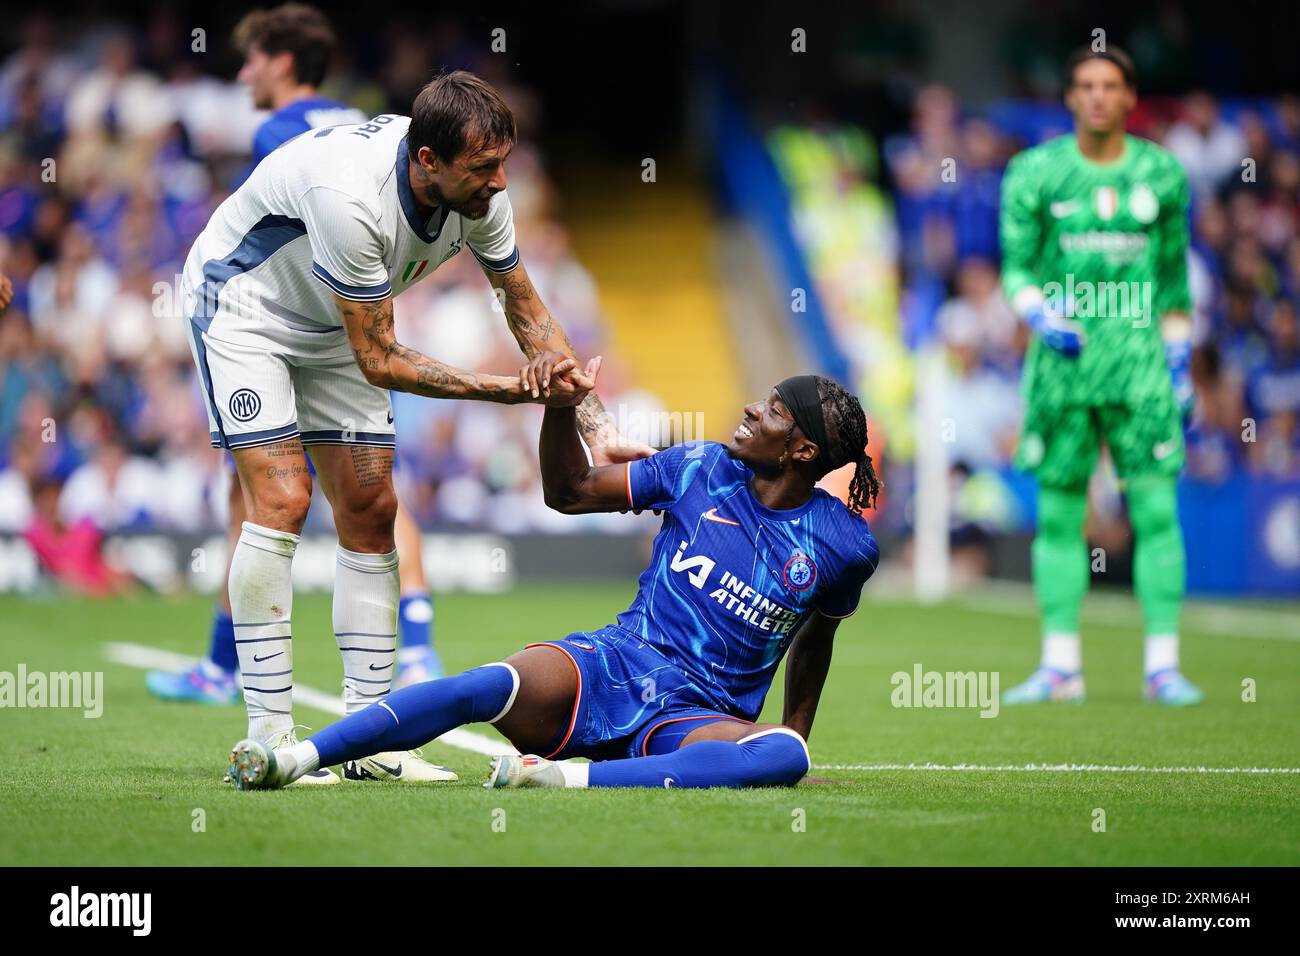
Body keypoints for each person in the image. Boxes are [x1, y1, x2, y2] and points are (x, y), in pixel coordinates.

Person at [184, 68, 647, 786]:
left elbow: (524, 307)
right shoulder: (350, 197)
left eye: (503, 165)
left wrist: (594, 419)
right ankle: (271, 737)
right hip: (248, 310)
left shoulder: (482, 191)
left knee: (373, 510)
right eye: (484, 169)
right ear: (426, 161)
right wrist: (506, 392)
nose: (499, 183)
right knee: (282, 501)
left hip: (334, 327)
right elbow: (381, 359)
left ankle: (373, 741)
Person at [226, 375, 880, 791]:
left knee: (784, 758)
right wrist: (559, 407)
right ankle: (298, 758)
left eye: (771, 411)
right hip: (612, 664)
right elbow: (568, 492)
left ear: (800, 452)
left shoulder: (844, 546)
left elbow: (816, 638)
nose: (749, 408)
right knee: (487, 684)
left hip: (697, 719)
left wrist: (796, 733)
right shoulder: (698, 468)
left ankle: (566, 780)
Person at [999, 46, 1203, 706]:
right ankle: (1061, 667)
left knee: (1155, 512)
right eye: (1084, 84)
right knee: (1059, 519)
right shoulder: (1035, 172)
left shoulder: (1163, 174)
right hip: (1062, 372)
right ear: (1068, 96)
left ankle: (1162, 667)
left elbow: (1173, 287)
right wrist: (1038, 314)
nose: (1096, 96)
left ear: (1129, 96)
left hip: (1140, 370)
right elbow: (1017, 268)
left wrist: (1179, 361)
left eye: (1109, 85)